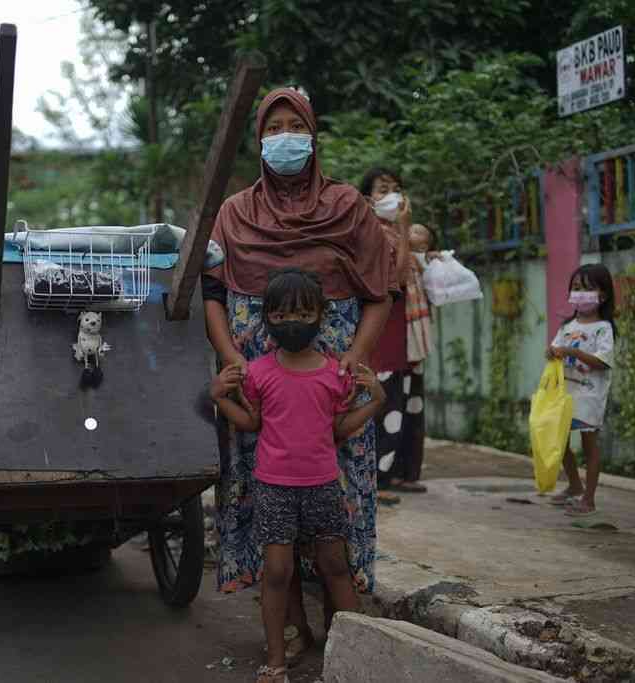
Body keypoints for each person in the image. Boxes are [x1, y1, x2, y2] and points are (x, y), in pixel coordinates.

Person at [202, 88, 398, 663]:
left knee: (340, 504)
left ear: (313, 136)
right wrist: (231, 356)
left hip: (330, 388)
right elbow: (213, 294)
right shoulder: (234, 213)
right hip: (258, 386)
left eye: (296, 125)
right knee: (268, 515)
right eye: (274, 127)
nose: (285, 136)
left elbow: (379, 293)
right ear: (259, 141)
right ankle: (291, 629)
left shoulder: (348, 207)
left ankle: (345, 633)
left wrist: (354, 361)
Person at [209, 268, 387, 683]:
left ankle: (354, 659)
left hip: (324, 486)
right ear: (267, 317)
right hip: (273, 490)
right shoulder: (258, 373)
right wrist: (218, 397)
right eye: (284, 314)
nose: (294, 322)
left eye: (305, 313)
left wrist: (376, 399)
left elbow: (340, 430)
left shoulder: (335, 374)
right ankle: (275, 662)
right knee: (276, 573)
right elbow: (251, 423)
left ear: (322, 316)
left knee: (336, 568)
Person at [360, 167, 429, 496]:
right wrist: (403, 229)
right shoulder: (371, 231)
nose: (392, 196)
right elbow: (398, 277)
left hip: (408, 328)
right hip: (384, 324)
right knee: (387, 399)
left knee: (410, 399)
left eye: (396, 188)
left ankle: (403, 470)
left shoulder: (398, 232)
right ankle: (379, 476)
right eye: (382, 189)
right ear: (367, 198)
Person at [546, 263, 616, 517]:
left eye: (588, 288)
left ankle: (589, 498)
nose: (581, 293)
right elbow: (554, 351)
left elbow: (602, 362)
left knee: (589, 446)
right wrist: (551, 353)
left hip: (589, 395)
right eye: (576, 288)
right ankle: (574, 484)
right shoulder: (567, 326)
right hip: (566, 394)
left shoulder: (603, 329)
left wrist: (573, 352)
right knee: (560, 441)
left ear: (603, 295)